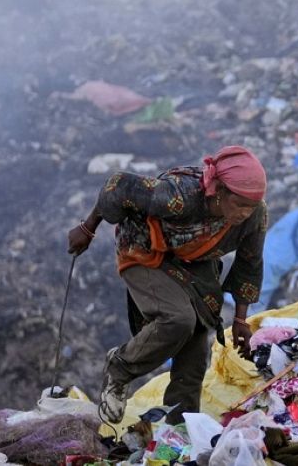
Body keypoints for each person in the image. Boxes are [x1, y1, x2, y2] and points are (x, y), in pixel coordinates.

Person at [67, 146, 269, 424]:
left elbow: (250, 263)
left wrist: (241, 320)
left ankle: (180, 429)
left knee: (197, 344)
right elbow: (117, 186)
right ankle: (121, 368)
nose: (246, 213)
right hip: (145, 250)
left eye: (251, 206)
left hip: (195, 262)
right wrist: (88, 229)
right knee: (178, 319)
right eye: (240, 204)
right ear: (219, 190)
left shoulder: (255, 215)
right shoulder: (178, 196)